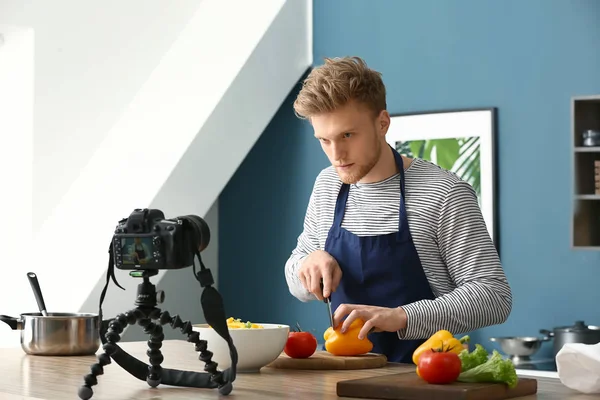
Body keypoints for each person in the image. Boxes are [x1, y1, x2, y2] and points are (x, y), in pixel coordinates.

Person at [283, 56, 512, 364]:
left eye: (347, 135)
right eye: (324, 140)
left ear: (382, 123)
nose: (336, 155)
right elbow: (295, 278)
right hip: (343, 377)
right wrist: (308, 263)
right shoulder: (328, 186)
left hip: (425, 378)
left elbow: (494, 297)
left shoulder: (443, 193)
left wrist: (401, 316)